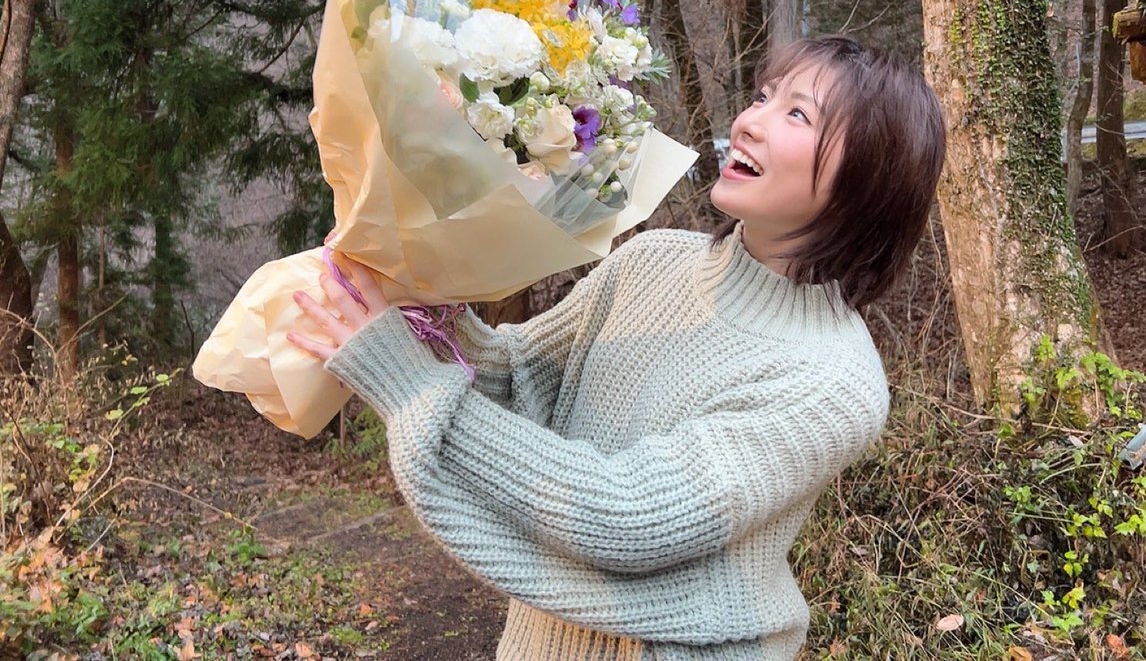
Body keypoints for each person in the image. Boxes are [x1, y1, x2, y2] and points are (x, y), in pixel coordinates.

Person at [288, 35, 946, 660]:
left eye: (797, 114)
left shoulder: (833, 380)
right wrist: (418, 299)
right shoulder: (652, 261)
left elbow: (627, 516)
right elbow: (517, 379)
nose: (750, 122)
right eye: (762, 96)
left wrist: (407, 381)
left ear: (870, 175)